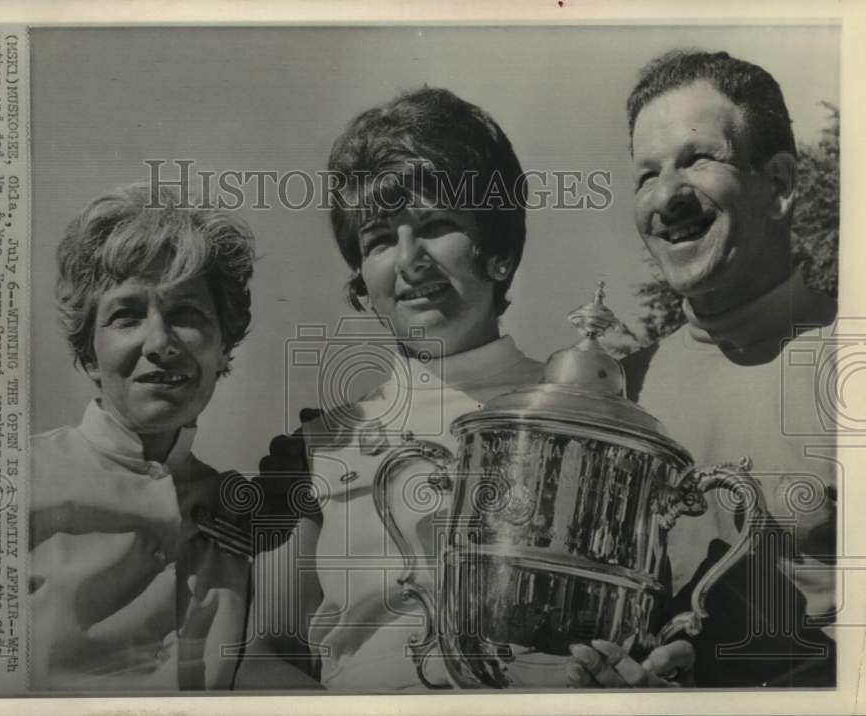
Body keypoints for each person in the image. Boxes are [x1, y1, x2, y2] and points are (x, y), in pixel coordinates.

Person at [236, 87, 545, 691]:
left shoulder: (584, 414)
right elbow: (265, 658)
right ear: (360, 276)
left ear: (499, 249)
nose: (409, 261)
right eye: (379, 239)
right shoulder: (315, 448)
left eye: (436, 225)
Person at [567, 50, 837, 688]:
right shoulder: (616, 393)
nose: (667, 197)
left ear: (781, 183)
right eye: (646, 175)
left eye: (697, 159)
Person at [30, 183, 257, 691]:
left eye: (186, 315)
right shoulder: (8, 484)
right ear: (89, 354)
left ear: (223, 348)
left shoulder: (247, 513)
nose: (159, 343)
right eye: (127, 315)